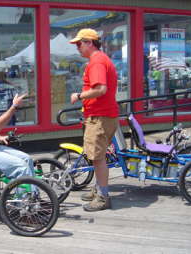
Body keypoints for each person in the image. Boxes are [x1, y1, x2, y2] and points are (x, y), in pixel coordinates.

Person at [69, 28, 119, 212]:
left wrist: (79, 95)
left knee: (98, 159)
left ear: (90, 42)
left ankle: (103, 196)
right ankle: (98, 188)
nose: (77, 48)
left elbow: (101, 89)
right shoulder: (101, 59)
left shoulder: (97, 61)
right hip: (103, 116)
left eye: (79, 44)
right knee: (98, 157)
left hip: (100, 117)